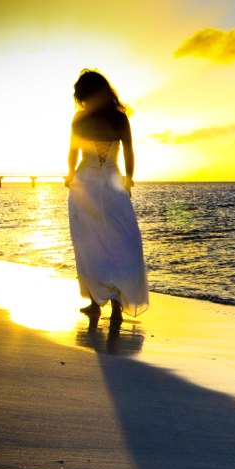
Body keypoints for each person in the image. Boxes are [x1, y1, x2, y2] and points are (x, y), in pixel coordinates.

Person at [65, 69, 149, 322]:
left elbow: (73, 152)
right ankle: (113, 303)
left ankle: (95, 302)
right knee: (119, 242)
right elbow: (129, 153)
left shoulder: (80, 118)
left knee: (88, 243)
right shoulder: (120, 118)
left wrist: (70, 174)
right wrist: (129, 179)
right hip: (113, 183)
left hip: (86, 183)